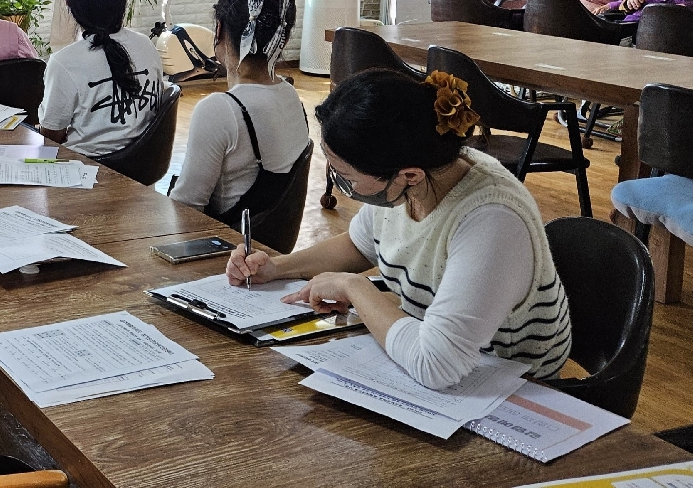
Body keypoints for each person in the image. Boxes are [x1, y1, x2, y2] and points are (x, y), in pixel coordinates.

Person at [226, 68, 572, 389]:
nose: (342, 188)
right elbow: (359, 245)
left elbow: (436, 366)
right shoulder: (413, 181)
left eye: (347, 179)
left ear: (409, 175)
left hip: (510, 385)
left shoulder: (492, 220)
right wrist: (277, 266)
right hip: (434, 359)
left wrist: (354, 288)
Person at [169, 0, 309, 219]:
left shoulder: (219, 110)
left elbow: (185, 209)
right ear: (283, 39)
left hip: (225, 247)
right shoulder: (291, 95)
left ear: (219, 30)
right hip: (265, 248)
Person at [38, 0, 164, 157]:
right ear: (123, 0)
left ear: (69, 2)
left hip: (85, 172)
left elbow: (51, 136)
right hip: (144, 169)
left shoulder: (64, 62)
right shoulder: (146, 45)